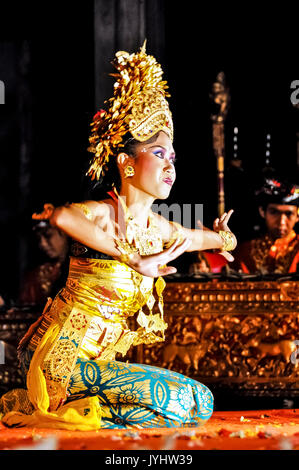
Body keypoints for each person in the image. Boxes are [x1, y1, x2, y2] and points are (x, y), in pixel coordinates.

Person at [0, 43, 236, 431]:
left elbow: (191, 238)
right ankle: (51, 407)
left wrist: (223, 240)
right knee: (177, 402)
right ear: (127, 162)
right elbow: (62, 216)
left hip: (97, 366)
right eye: (159, 153)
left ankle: (81, 415)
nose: (169, 165)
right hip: (60, 359)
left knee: (201, 401)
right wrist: (131, 258)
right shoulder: (101, 213)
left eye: (172, 158)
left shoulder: (157, 227)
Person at [231, 176, 299, 274]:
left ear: (297, 215)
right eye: (274, 212)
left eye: (289, 214)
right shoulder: (245, 251)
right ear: (262, 212)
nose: (281, 222)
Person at [19, 216, 69, 306]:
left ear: (64, 232)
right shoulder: (39, 272)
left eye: (48, 235)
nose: (42, 244)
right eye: (39, 238)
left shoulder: (80, 269)